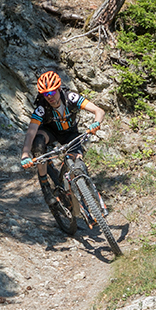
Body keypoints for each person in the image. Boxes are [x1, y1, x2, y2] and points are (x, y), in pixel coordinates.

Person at [19, 70, 105, 207]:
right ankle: (45, 185)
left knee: (77, 161)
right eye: (45, 94)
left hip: (70, 133)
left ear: (59, 88)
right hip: (50, 132)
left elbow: (99, 111)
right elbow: (31, 132)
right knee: (38, 143)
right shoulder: (42, 108)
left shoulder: (70, 97)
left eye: (52, 92)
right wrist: (25, 154)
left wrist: (96, 123)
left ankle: (83, 191)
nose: (49, 97)